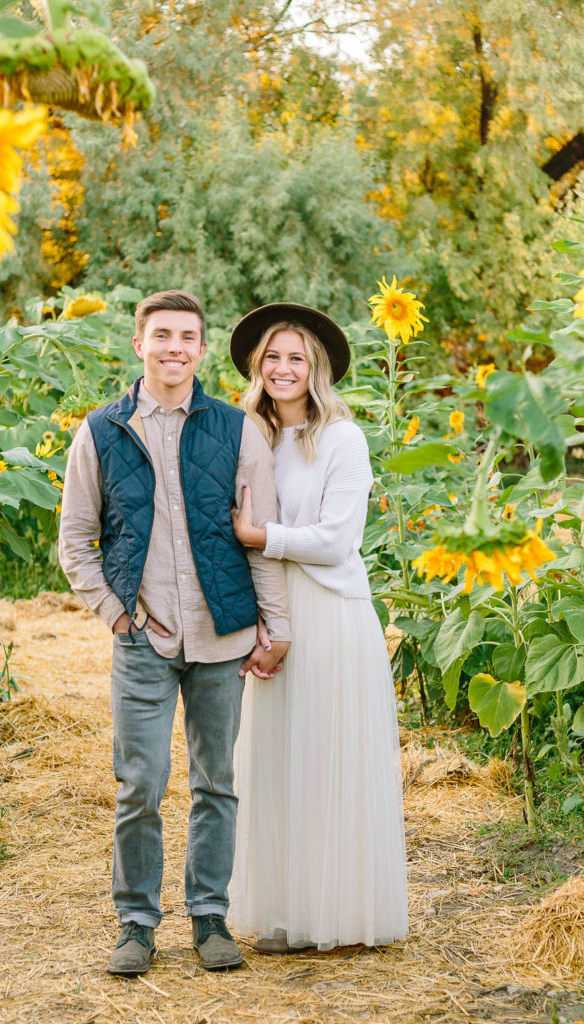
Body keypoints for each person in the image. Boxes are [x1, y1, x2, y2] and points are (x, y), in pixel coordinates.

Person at [58, 290, 290, 976]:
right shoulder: (99, 431)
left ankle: (209, 917)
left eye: (187, 336)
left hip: (222, 638)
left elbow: (259, 540)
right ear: (140, 345)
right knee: (140, 784)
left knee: (217, 782)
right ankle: (135, 923)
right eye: (162, 335)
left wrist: (274, 626)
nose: (174, 348)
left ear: (200, 347)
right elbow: (75, 542)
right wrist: (117, 615)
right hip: (144, 642)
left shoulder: (235, 429)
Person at [228, 302, 408, 953]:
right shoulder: (247, 437)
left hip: (330, 615)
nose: (281, 368)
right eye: (271, 357)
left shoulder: (340, 438)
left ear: (316, 368)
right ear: (256, 367)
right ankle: (287, 912)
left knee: (327, 760)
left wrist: (259, 534)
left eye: (294, 358)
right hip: (271, 616)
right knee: (277, 764)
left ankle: (335, 914)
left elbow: (336, 541)